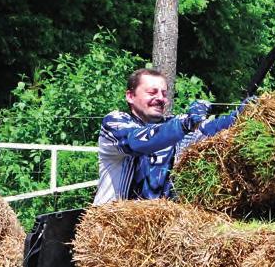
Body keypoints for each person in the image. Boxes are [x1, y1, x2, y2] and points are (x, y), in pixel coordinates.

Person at [93, 68, 241, 204]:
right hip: (113, 223)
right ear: (130, 96)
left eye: (164, 94)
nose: (160, 98)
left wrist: (240, 115)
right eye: (152, 92)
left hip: (160, 225)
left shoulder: (174, 126)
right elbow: (139, 142)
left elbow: (210, 129)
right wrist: (186, 122)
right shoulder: (114, 123)